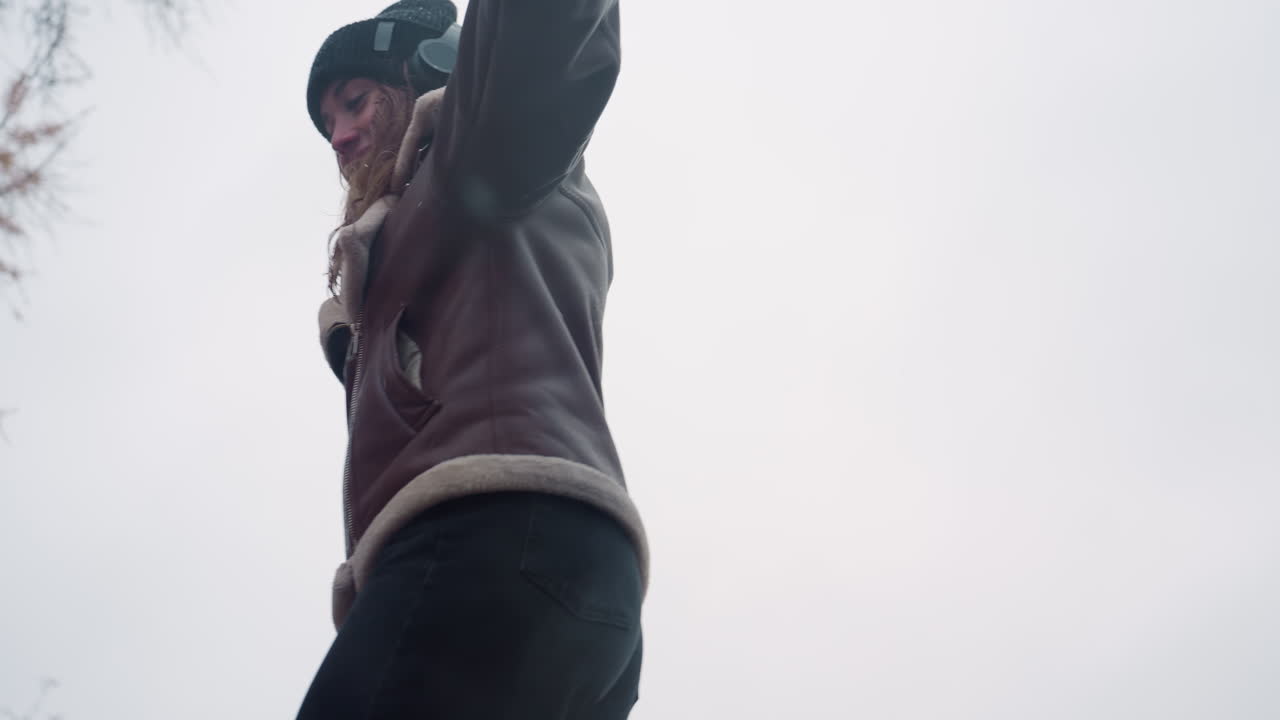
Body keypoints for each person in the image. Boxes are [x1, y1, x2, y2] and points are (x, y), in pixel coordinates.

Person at [295, 0, 647, 717]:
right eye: (328, 122)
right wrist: (352, 348)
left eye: (355, 102)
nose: (338, 135)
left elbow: (537, 34)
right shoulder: (424, 231)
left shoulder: (480, 144)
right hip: (587, 600)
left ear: (426, 73)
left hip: (492, 537)